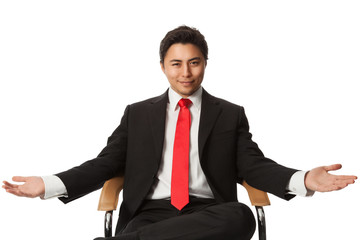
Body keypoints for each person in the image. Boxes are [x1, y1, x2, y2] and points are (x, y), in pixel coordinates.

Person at [2, 26, 357, 240]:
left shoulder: (229, 115)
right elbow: (105, 164)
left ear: (205, 63)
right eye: (176, 63)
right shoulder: (138, 114)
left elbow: (253, 166)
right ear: (163, 67)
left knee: (242, 216)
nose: (185, 72)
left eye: (194, 62)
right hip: (150, 213)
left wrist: (304, 179)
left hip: (210, 213)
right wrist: (48, 184)